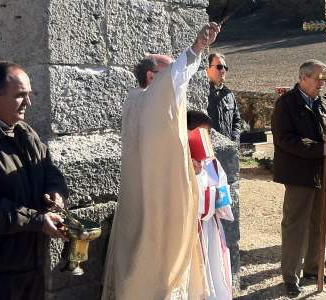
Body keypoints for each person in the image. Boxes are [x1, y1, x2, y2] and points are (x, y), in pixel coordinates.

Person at [102, 22, 220, 300]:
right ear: (152, 77)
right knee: (157, 261)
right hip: (160, 198)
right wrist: (197, 48)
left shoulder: (134, 101)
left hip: (139, 195)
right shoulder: (153, 98)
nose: (177, 81)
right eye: (167, 72)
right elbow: (178, 75)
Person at [0, 62, 69, 300]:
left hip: (31, 267)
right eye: (20, 96)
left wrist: (55, 192)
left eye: (28, 95)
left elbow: (50, 171)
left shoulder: (25, 132)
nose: (28, 103)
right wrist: (37, 220)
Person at [272, 59, 326, 297]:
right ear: (303, 78)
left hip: (323, 172)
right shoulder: (286, 104)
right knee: (295, 226)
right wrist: (317, 148)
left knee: (319, 222)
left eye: (324, 79)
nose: (322, 84)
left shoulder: (323, 102)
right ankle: (290, 276)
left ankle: (313, 268)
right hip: (299, 174)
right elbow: (284, 139)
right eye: (318, 79)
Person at [188, 110, 234, 300]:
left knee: (214, 268)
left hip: (210, 225)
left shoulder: (212, 162)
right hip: (191, 228)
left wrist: (220, 203)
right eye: (200, 133)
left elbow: (221, 184)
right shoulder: (181, 162)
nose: (205, 138)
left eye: (208, 133)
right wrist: (193, 171)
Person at [206, 53, 242, 143]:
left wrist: (234, 141)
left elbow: (236, 121)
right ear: (207, 68)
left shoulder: (229, 95)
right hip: (210, 151)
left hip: (228, 151)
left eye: (225, 68)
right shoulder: (202, 94)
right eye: (219, 67)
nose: (223, 71)